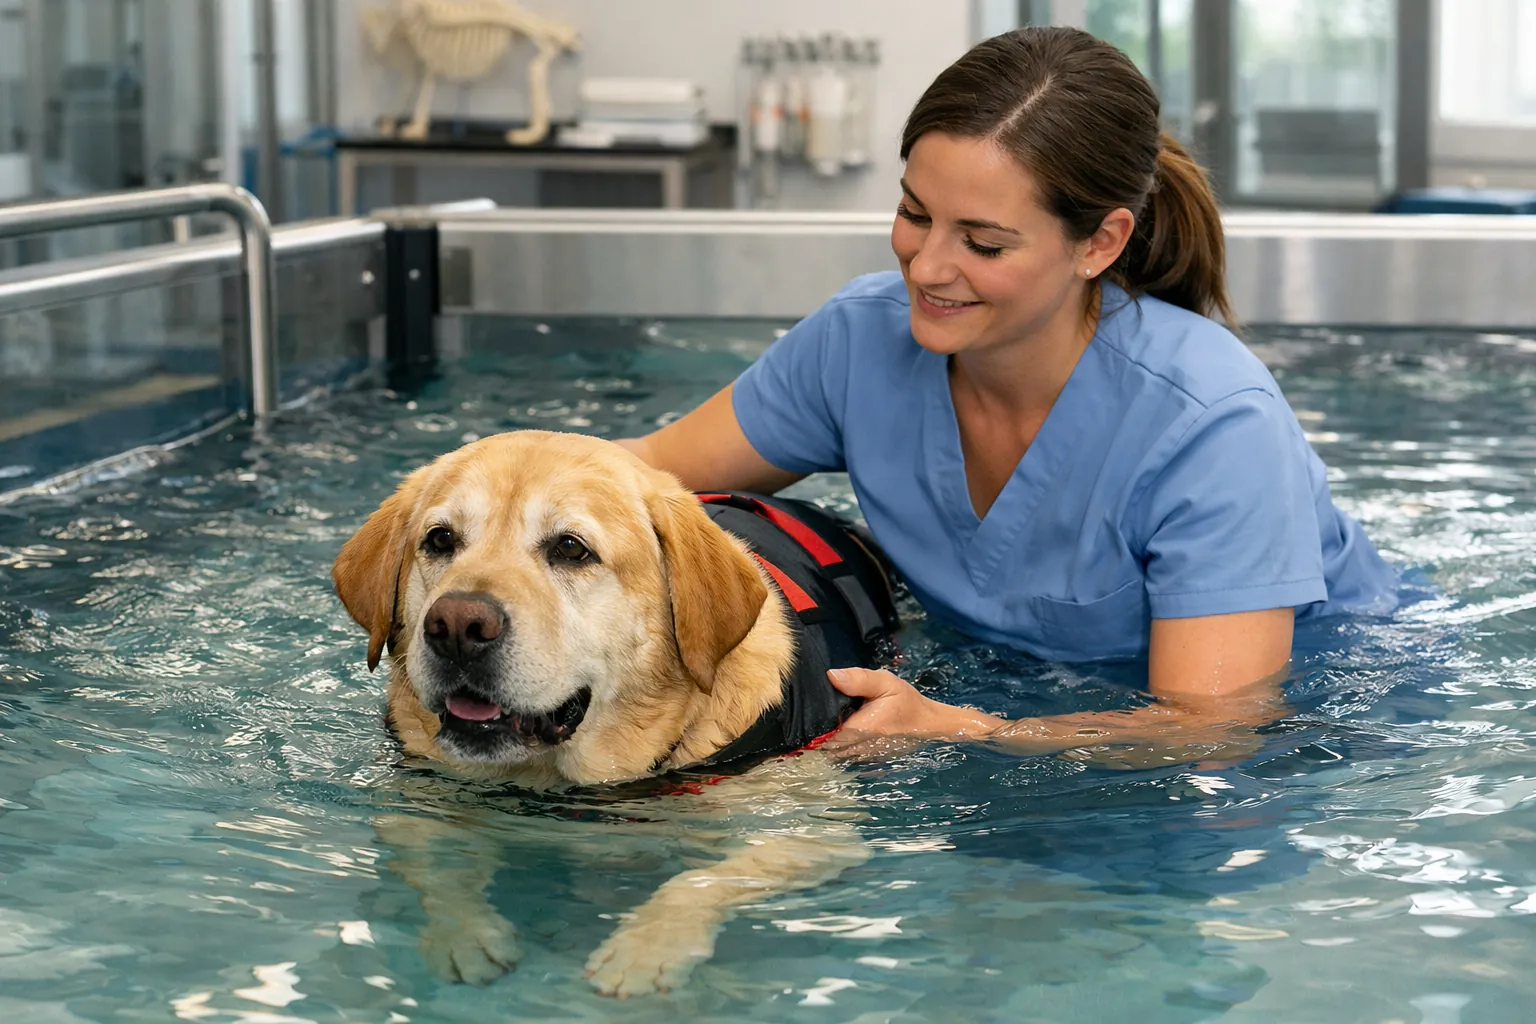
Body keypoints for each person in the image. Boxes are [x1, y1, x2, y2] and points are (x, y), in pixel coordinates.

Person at [618, 27, 1399, 762]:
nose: (927, 267)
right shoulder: (859, 342)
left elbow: (1214, 730)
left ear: (1100, 243)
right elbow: (642, 471)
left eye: (983, 243)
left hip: (1337, 720)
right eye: (913, 213)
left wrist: (959, 728)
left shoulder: (1214, 425)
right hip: (1031, 695)